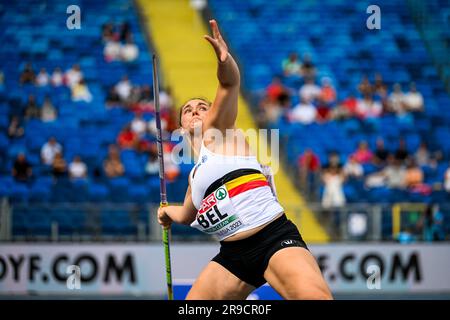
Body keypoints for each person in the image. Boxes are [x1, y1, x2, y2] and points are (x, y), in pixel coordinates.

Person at [157, 20, 332, 300]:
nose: (197, 111)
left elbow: (229, 82)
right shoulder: (194, 177)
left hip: (273, 239)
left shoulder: (219, 131)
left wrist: (224, 61)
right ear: (180, 126)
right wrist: (166, 213)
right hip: (233, 257)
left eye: (203, 106)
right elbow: (187, 214)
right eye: (188, 110)